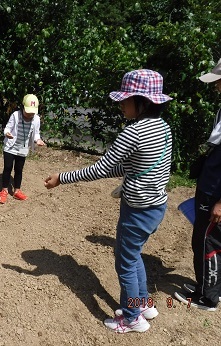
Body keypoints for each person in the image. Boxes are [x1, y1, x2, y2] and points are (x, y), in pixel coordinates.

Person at [44, 69, 173, 333]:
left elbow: (101, 169)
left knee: (125, 262)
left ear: (143, 102)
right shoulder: (163, 128)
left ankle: (132, 318)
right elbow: (129, 168)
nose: (120, 104)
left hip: (136, 210)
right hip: (156, 206)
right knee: (133, 255)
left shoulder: (133, 132)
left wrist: (63, 177)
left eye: (125, 100)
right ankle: (144, 304)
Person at [174, 59, 221, 311]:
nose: (216, 88)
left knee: (207, 241)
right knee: (208, 239)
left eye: (218, 82)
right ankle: (209, 286)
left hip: (216, 190)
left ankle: (207, 298)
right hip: (210, 184)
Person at [0, 94, 45, 204]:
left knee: (19, 170)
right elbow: (7, 128)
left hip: (23, 148)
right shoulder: (15, 115)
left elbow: (36, 133)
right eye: (28, 112)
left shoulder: (36, 119)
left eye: (32, 113)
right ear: (22, 107)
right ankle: (4, 190)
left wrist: (38, 140)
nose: (29, 115)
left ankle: (17, 190)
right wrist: (7, 133)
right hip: (10, 146)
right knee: (8, 168)